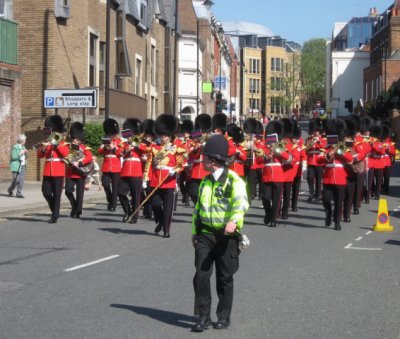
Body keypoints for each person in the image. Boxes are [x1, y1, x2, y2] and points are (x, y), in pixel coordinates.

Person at [191, 134, 249, 333]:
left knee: (224, 278)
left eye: (205, 157)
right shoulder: (205, 181)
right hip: (205, 234)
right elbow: (198, 209)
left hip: (226, 236)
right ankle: (203, 316)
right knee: (201, 275)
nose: (202, 160)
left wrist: (234, 221)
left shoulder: (234, 181)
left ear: (213, 160)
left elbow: (241, 203)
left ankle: (223, 316)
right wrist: (194, 232)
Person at [37, 115, 69, 223]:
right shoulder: (48, 142)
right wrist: (44, 149)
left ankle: (55, 215)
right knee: (45, 192)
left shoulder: (63, 143)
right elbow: (40, 155)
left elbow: (67, 155)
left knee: (57, 194)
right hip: (47, 170)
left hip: (58, 171)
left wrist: (57, 145)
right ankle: (55, 209)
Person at [64, 122, 93, 219]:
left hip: (80, 173)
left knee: (80, 194)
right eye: (74, 138)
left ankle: (78, 211)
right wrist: (71, 151)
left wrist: (80, 162)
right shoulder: (69, 147)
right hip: (70, 173)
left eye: (77, 139)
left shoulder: (85, 148)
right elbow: (66, 158)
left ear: (80, 138)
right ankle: (74, 206)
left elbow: (89, 158)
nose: (76, 140)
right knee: (68, 191)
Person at [8, 134, 28, 198]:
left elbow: (26, 157)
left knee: (21, 180)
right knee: (16, 180)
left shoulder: (23, 147)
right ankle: (10, 190)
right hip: (16, 166)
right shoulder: (15, 147)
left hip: (23, 165)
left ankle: (18, 193)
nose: (25, 141)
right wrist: (20, 153)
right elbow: (13, 157)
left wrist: (26, 153)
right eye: (25, 140)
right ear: (21, 140)